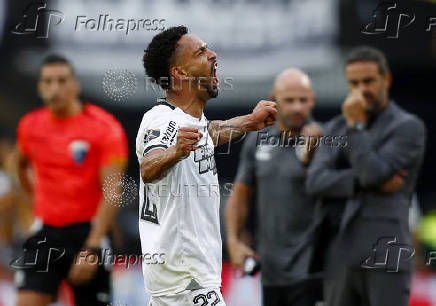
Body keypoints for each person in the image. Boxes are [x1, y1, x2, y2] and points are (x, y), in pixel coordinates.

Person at [137, 25, 277, 306]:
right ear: (180, 73)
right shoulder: (162, 121)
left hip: (184, 280)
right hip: (187, 282)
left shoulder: (189, 123)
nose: (213, 55)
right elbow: (149, 167)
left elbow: (209, 133)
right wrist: (175, 152)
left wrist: (250, 121)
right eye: (201, 52)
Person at [306, 46, 426, 306]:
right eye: (354, 83)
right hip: (339, 256)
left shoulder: (408, 127)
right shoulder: (335, 127)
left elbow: (373, 173)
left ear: (386, 80)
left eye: (369, 81)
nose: (362, 90)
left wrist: (356, 127)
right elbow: (315, 181)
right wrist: (365, 179)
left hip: (387, 254)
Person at [15, 55, 128, 306]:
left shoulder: (104, 128)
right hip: (46, 232)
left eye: (62, 81)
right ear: (39, 87)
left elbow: (113, 191)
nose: (55, 88)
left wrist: (93, 246)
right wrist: (29, 211)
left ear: (75, 86)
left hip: (89, 232)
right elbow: (19, 165)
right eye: (48, 81)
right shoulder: (29, 126)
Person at [225, 68, 323, 306]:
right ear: (274, 99)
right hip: (271, 269)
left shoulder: (328, 141)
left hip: (316, 271)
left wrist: (313, 159)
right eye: (289, 100)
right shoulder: (257, 142)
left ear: (313, 100)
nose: (297, 107)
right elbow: (239, 194)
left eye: (303, 100)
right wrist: (233, 241)